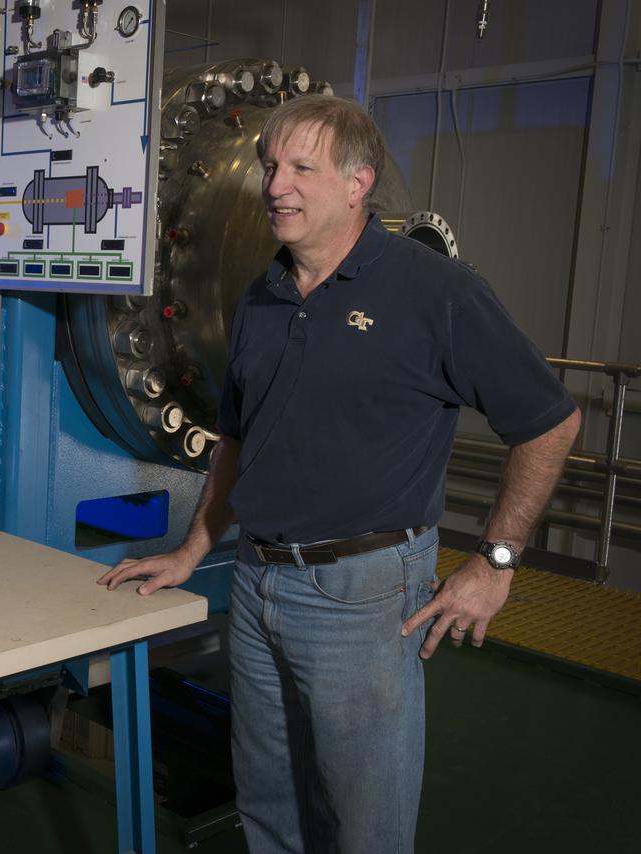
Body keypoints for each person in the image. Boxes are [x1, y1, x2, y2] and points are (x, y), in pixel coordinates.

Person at [97, 95, 580, 853]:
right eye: (268, 166)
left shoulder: (437, 292)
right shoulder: (263, 294)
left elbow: (551, 422)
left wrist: (497, 562)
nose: (274, 185)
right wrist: (194, 549)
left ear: (358, 183)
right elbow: (236, 441)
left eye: (300, 168)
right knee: (269, 800)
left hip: (363, 594)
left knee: (365, 821)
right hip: (257, 582)